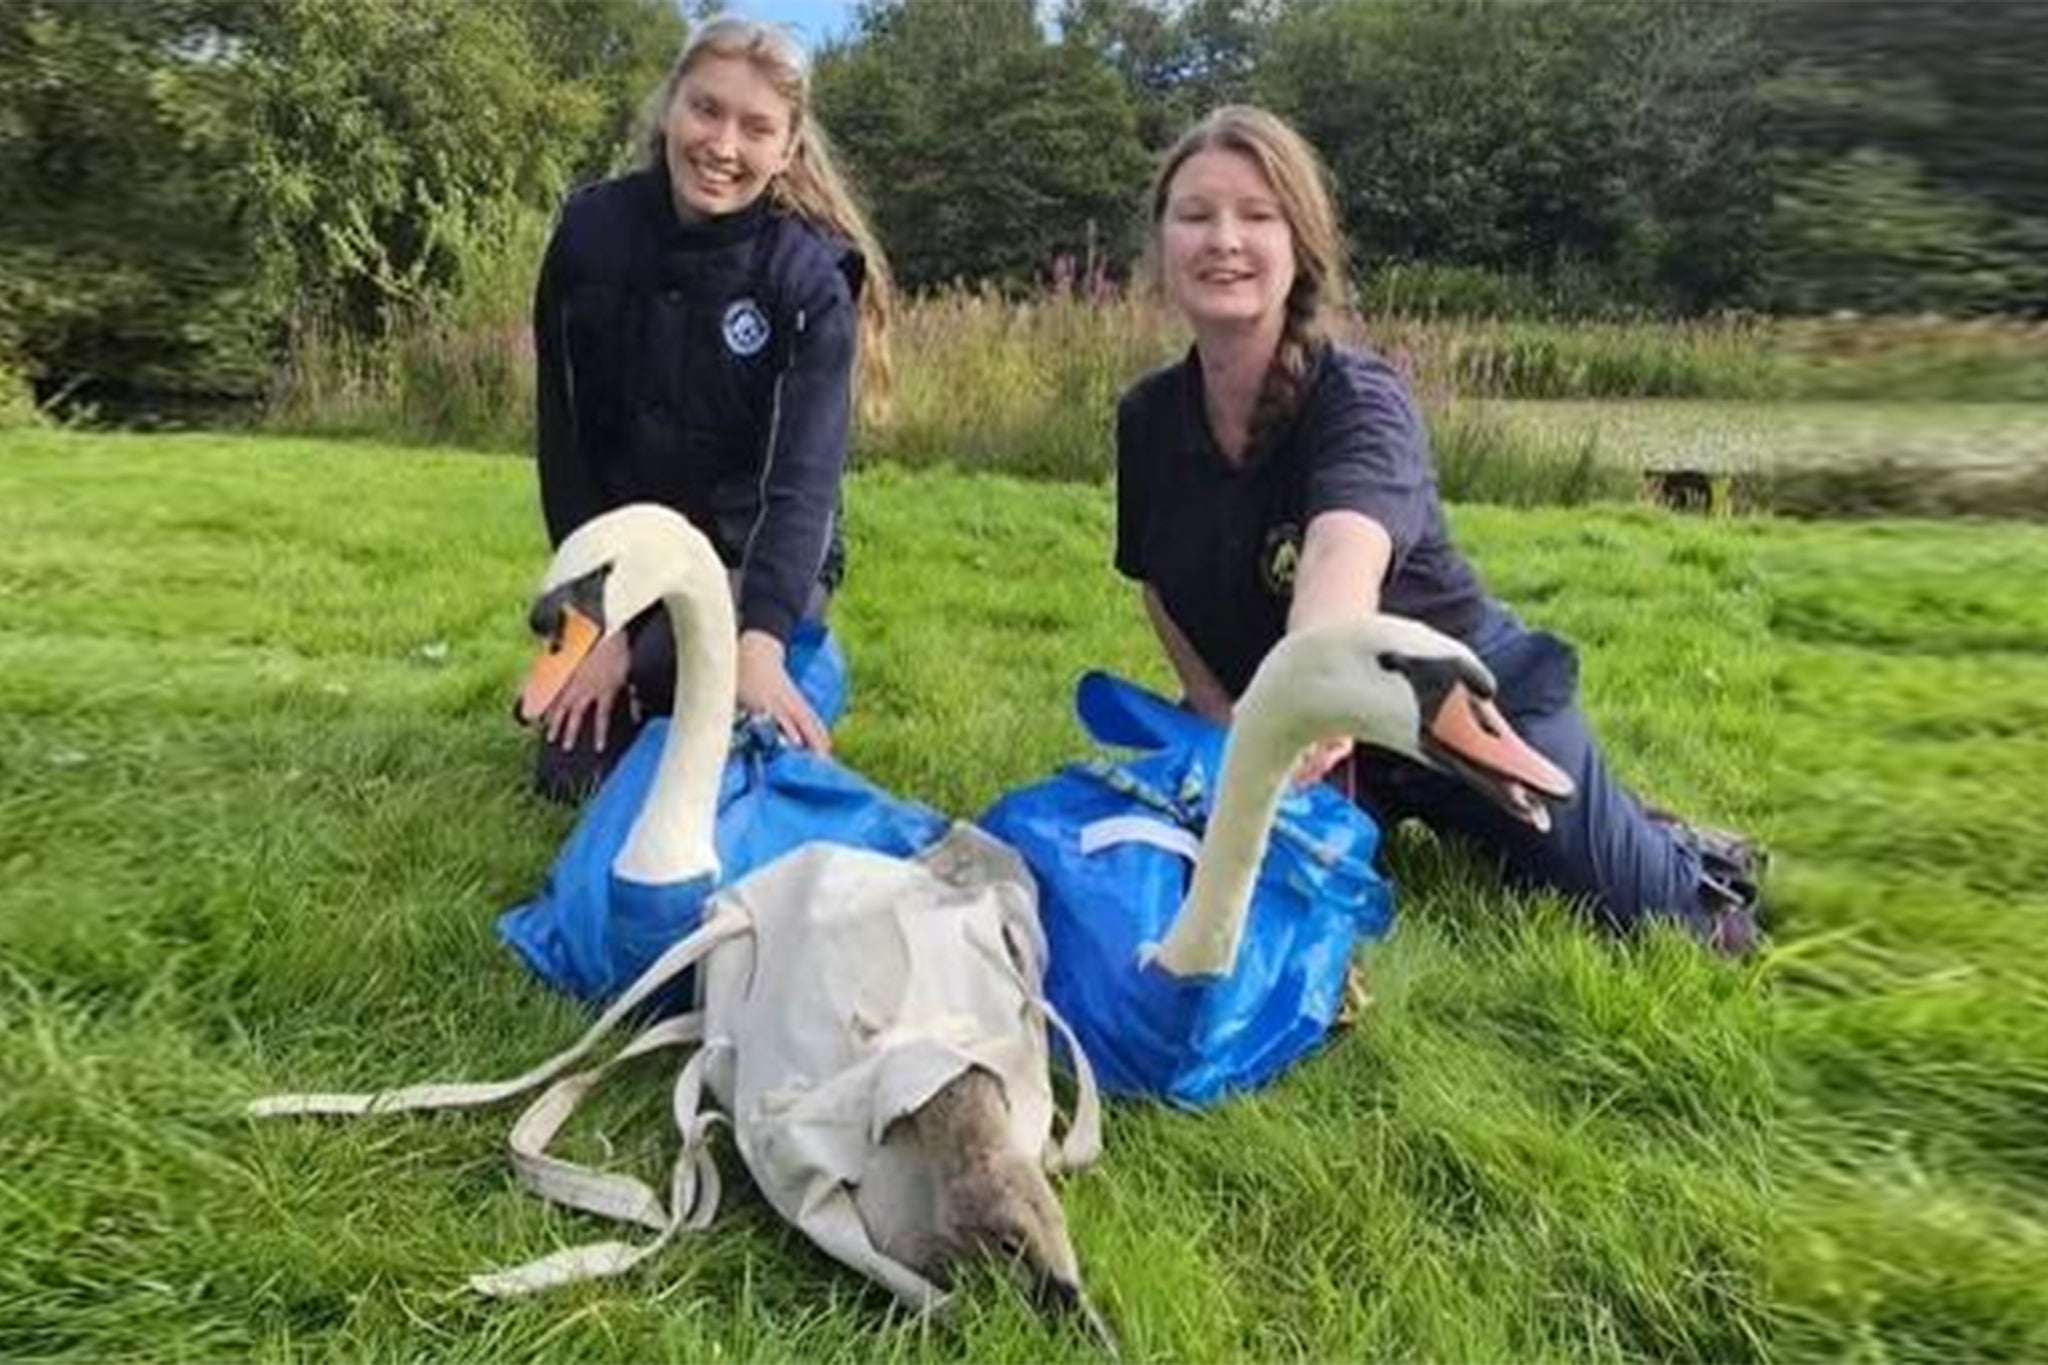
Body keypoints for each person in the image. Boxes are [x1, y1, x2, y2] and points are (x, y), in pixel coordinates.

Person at [1113, 106, 1763, 955]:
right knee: (1239, 914)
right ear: (1163, 244)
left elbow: (1339, 582)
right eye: (1195, 215)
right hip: (1303, 733)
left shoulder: (1360, 401)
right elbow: (1155, 580)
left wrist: (1305, 698)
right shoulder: (1147, 416)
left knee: (1653, 919)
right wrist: (1220, 714)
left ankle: (1686, 850)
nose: (1222, 239)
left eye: (1256, 215)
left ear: (1299, 244)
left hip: (1450, 708)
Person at [526, 17, 893, 801]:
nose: (723, 145)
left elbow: (804, 489)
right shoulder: (586, 237)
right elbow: (566, 454)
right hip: (630, 560)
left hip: (751, 557)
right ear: (670, 108)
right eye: (706, 110)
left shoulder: (808, 283)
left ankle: (797, 654)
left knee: (692, 698)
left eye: (756, 127)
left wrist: (757, 644)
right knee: (568, 778)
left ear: (787, 148)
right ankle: (643, 655)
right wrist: (595, 624)